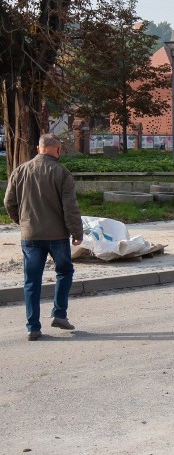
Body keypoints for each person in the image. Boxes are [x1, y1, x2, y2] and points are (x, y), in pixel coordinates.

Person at [4, 133, 84, 341]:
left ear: (39, 149)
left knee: (31, 281)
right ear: (57, 150)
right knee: (64, 271)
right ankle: (59, 313)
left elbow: (8, 202)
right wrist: (77, 232)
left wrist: (22, 222)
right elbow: (70, 208)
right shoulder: (61, 173)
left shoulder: (20, 171)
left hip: (30, 235)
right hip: (57, 235)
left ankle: (33, 327)